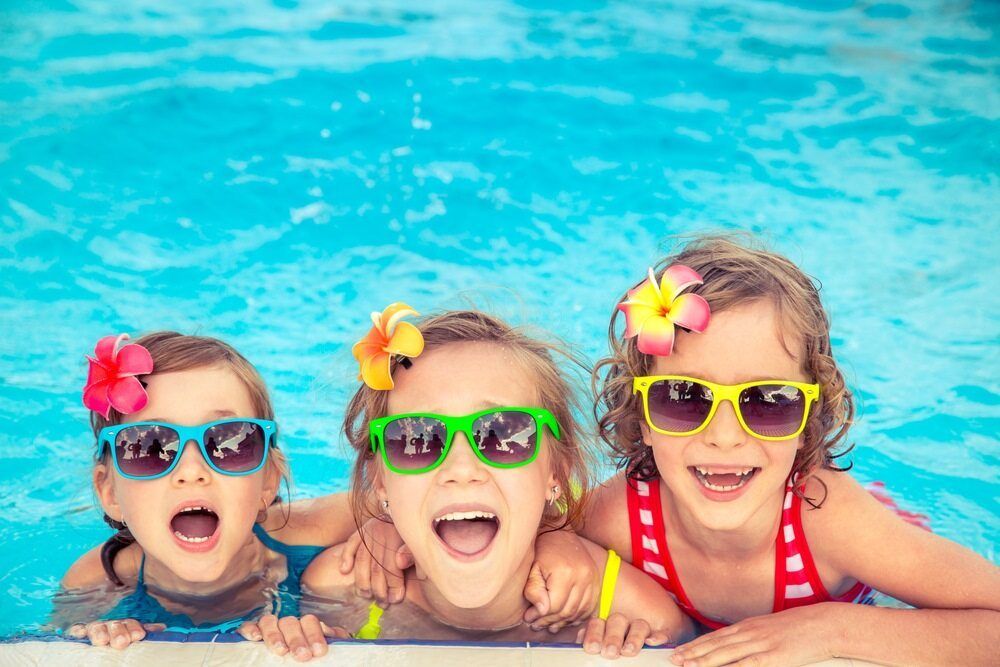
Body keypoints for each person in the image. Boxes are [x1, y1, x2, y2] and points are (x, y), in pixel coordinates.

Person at [577, 235, 1000, 666]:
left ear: (808, 420)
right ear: (643, 415)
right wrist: (566, 554)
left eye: (768, 401)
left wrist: (832, 628)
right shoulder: (622, 518)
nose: (724, 437)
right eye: (684, 397)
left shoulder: (831, 521)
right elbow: (530, 536)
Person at [240, 308, 694, 660]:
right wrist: (294, 639)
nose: (460, 467)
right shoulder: (343, 593)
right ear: (380, 484)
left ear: (555, 474)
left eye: (502, 434)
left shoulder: (632, 611)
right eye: (417, 438)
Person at [57, 332, 358, 659]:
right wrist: (99, 635)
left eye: (229, 441)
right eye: (151, 447)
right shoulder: (95, 582)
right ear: (109, 491)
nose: (191, 470)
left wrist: (380, 532)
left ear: (268, 481)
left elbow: (386, 505)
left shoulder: (311, 532)